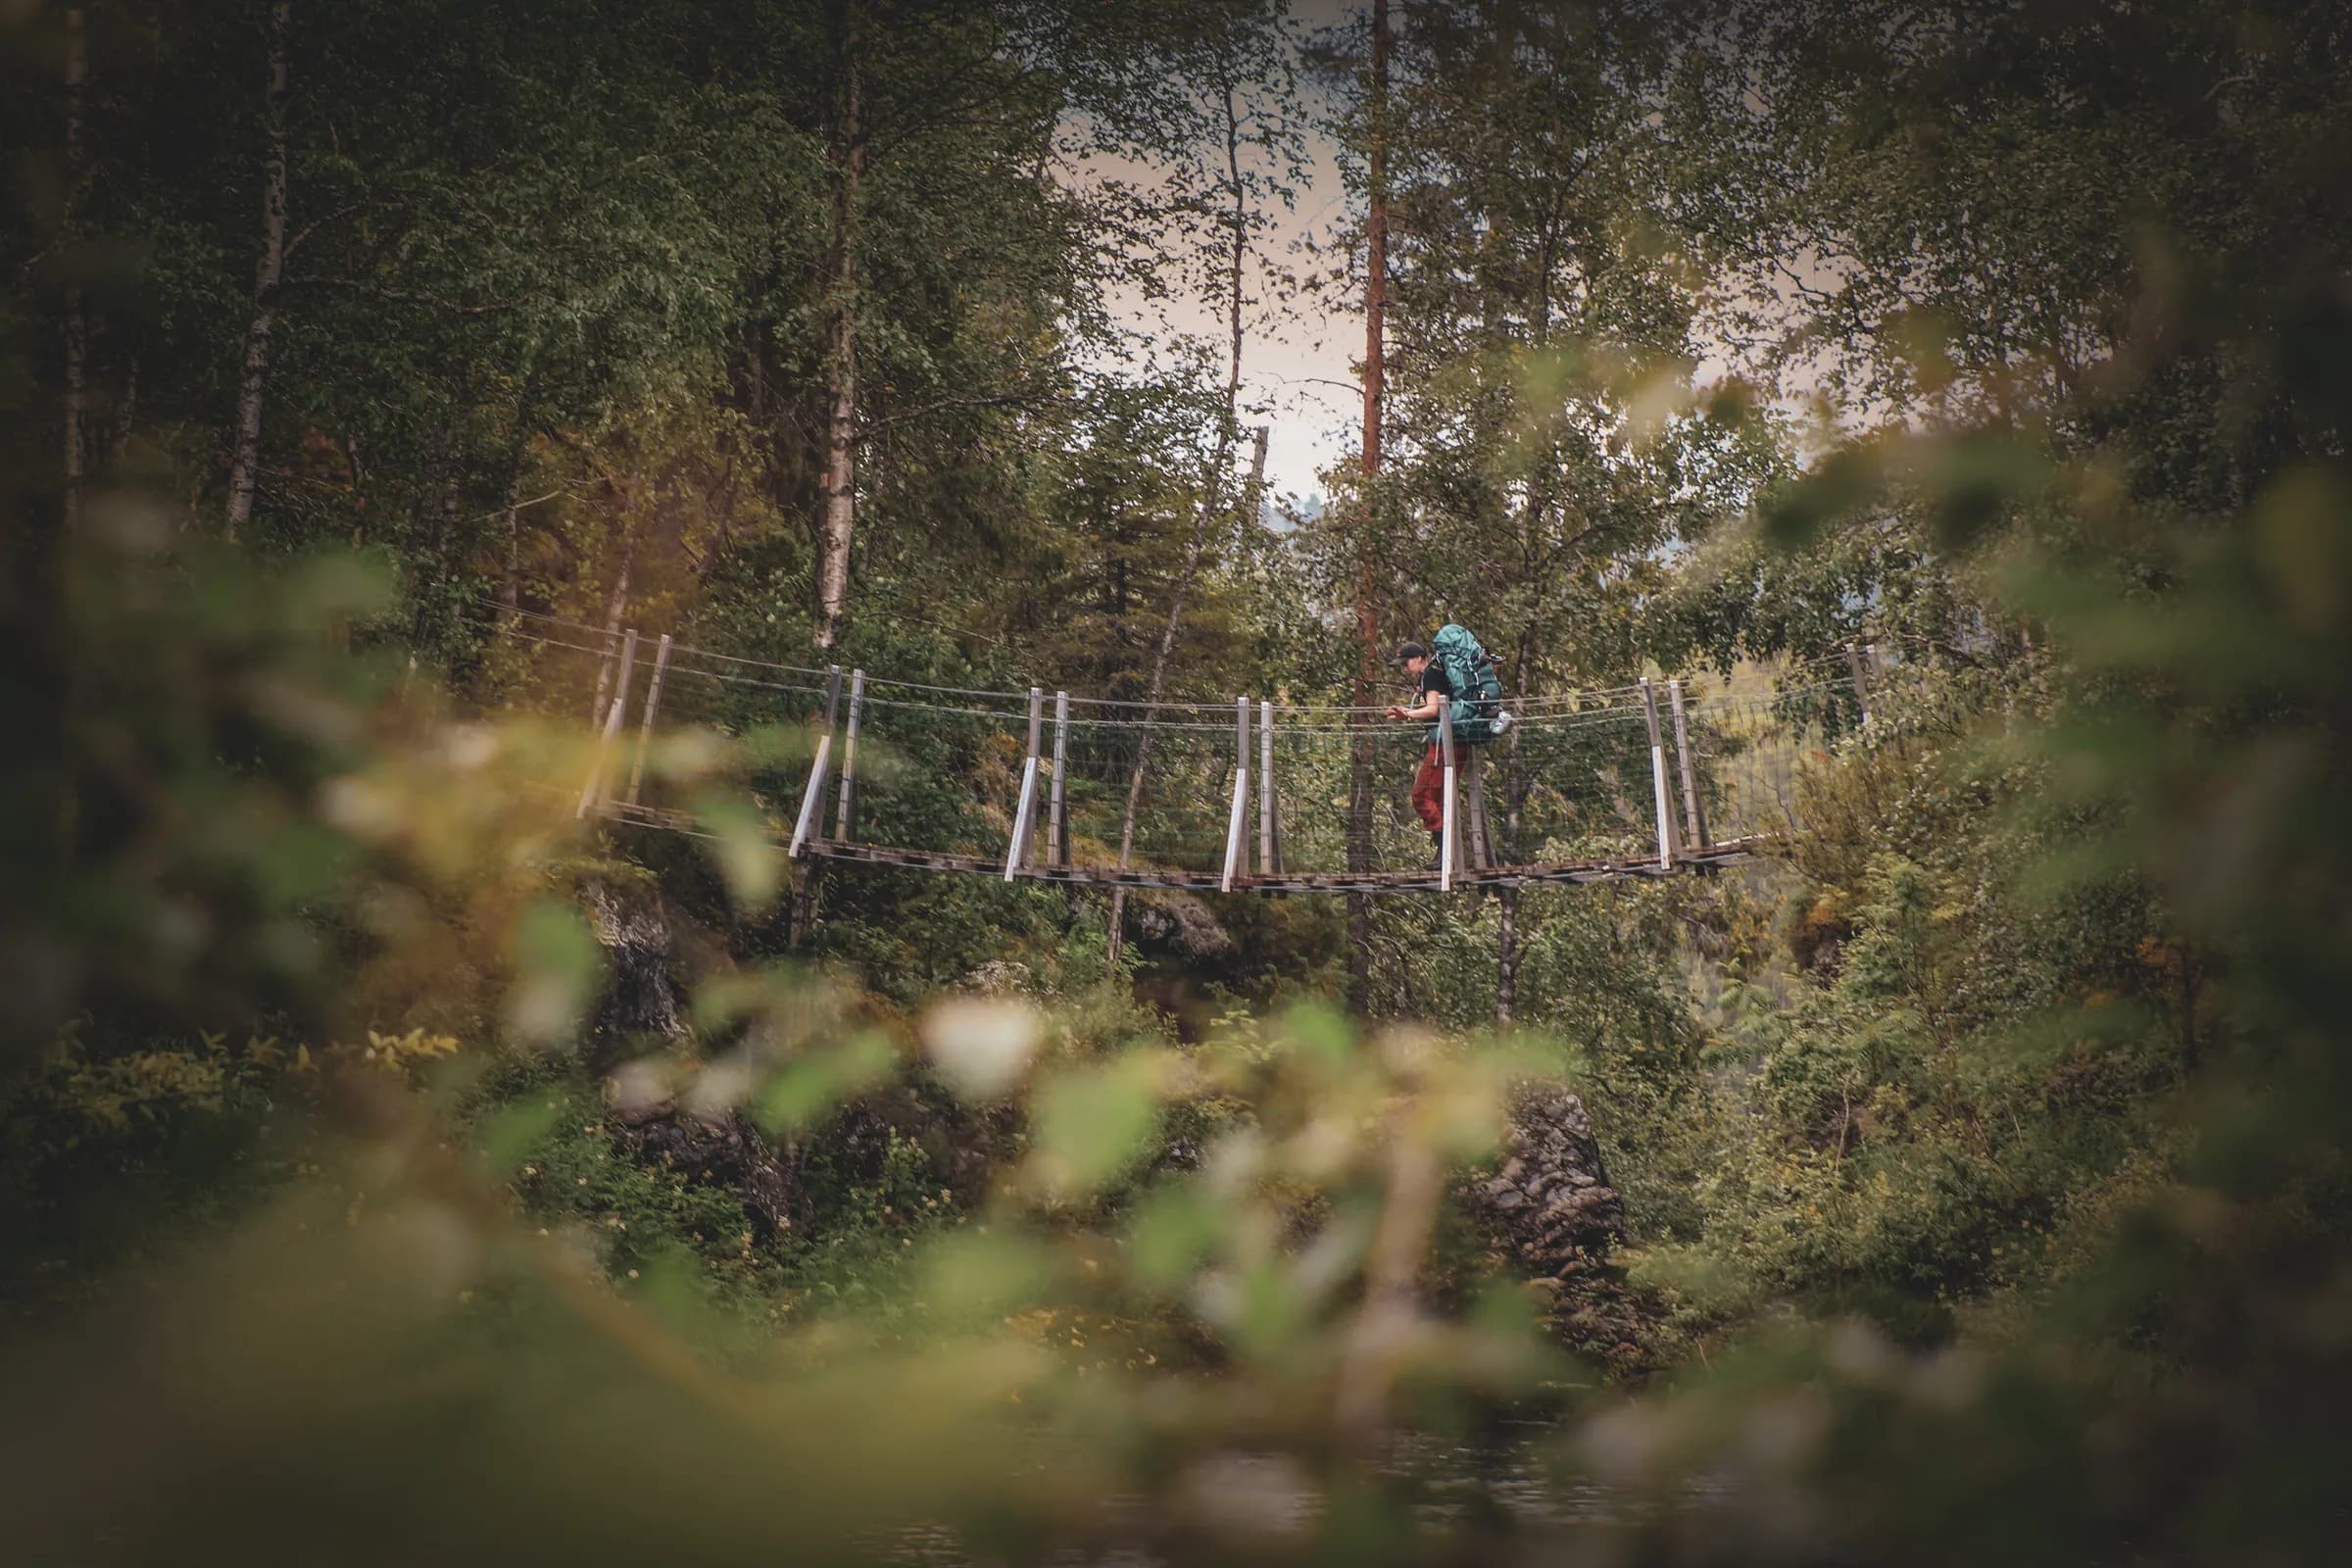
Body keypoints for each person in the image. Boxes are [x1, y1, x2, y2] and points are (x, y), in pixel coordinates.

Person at [1384, 641, 1452, 857]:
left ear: (1420, 657)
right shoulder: (1435, 673)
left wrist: (1408, 714)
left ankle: (1444, 852)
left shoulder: (1431, 674)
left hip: (1444, 744)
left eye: (1407, 662)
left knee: (1421, 795)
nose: (1405, 668)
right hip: (1447, 742)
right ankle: (1444, 855)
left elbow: (1434, 709)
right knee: (1436, 796)